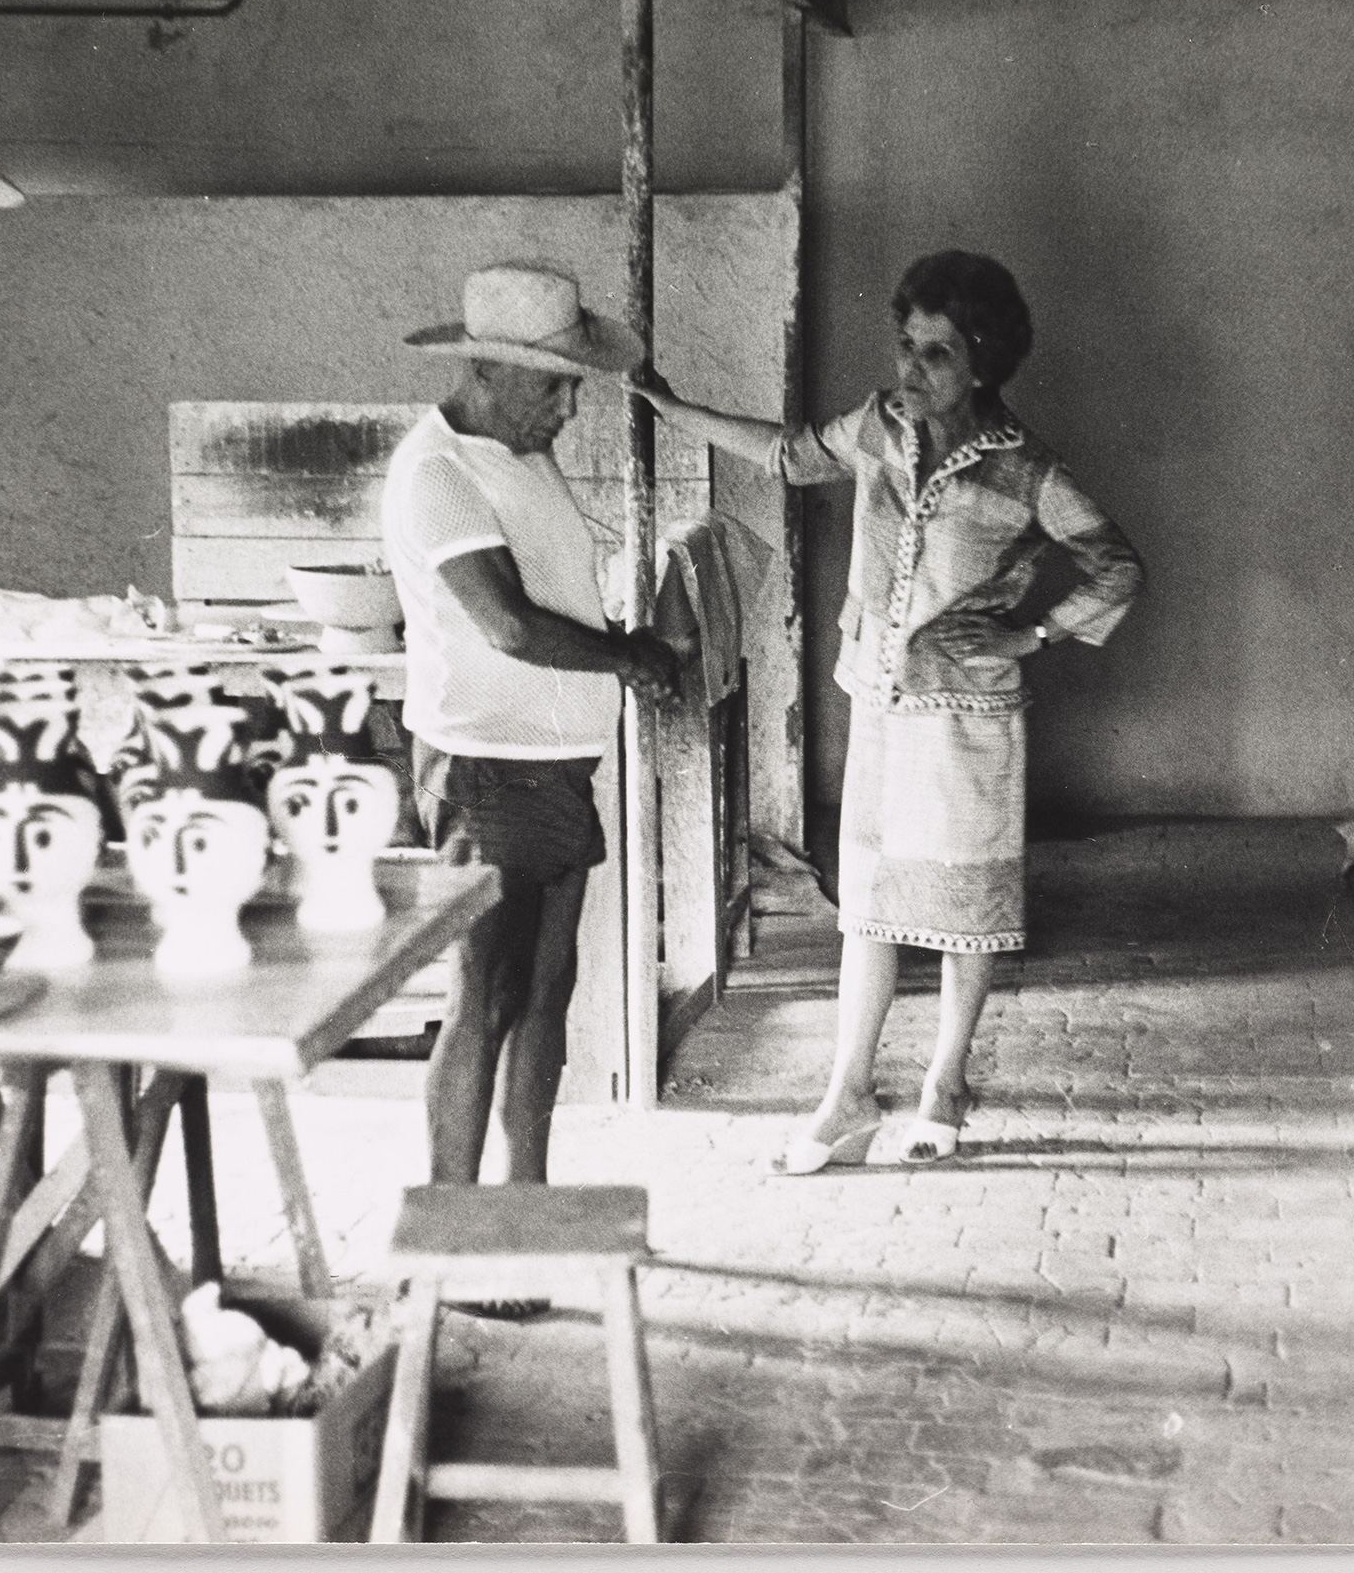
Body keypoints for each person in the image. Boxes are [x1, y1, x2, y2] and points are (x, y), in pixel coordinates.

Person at [632, 250, 1145, 1171]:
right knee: (865, 904)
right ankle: (848, 1092)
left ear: (983, 362)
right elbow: (788, 454)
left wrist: (1029, 638)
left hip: (968, 719)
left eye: (936, 354)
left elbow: (1118, 567)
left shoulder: (1029, 472)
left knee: (965, 903)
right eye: (905, 347)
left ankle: (945, 1083)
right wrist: (676, 410)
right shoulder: (877, 426)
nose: (910, 371)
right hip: (878, 694)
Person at [385, 263, 681, 1198]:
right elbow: (507, 623)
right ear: (485, 371)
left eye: (571, 386)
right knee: (486, 995)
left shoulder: (519, 454)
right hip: (483, 766)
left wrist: (626, 641)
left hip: (553, 764)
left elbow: (553, 595)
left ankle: (525, 1201)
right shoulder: (435, 471)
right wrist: (632, 657)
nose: (568, 407)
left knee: (547, 995)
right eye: (553, 385)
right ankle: (455, 1223)